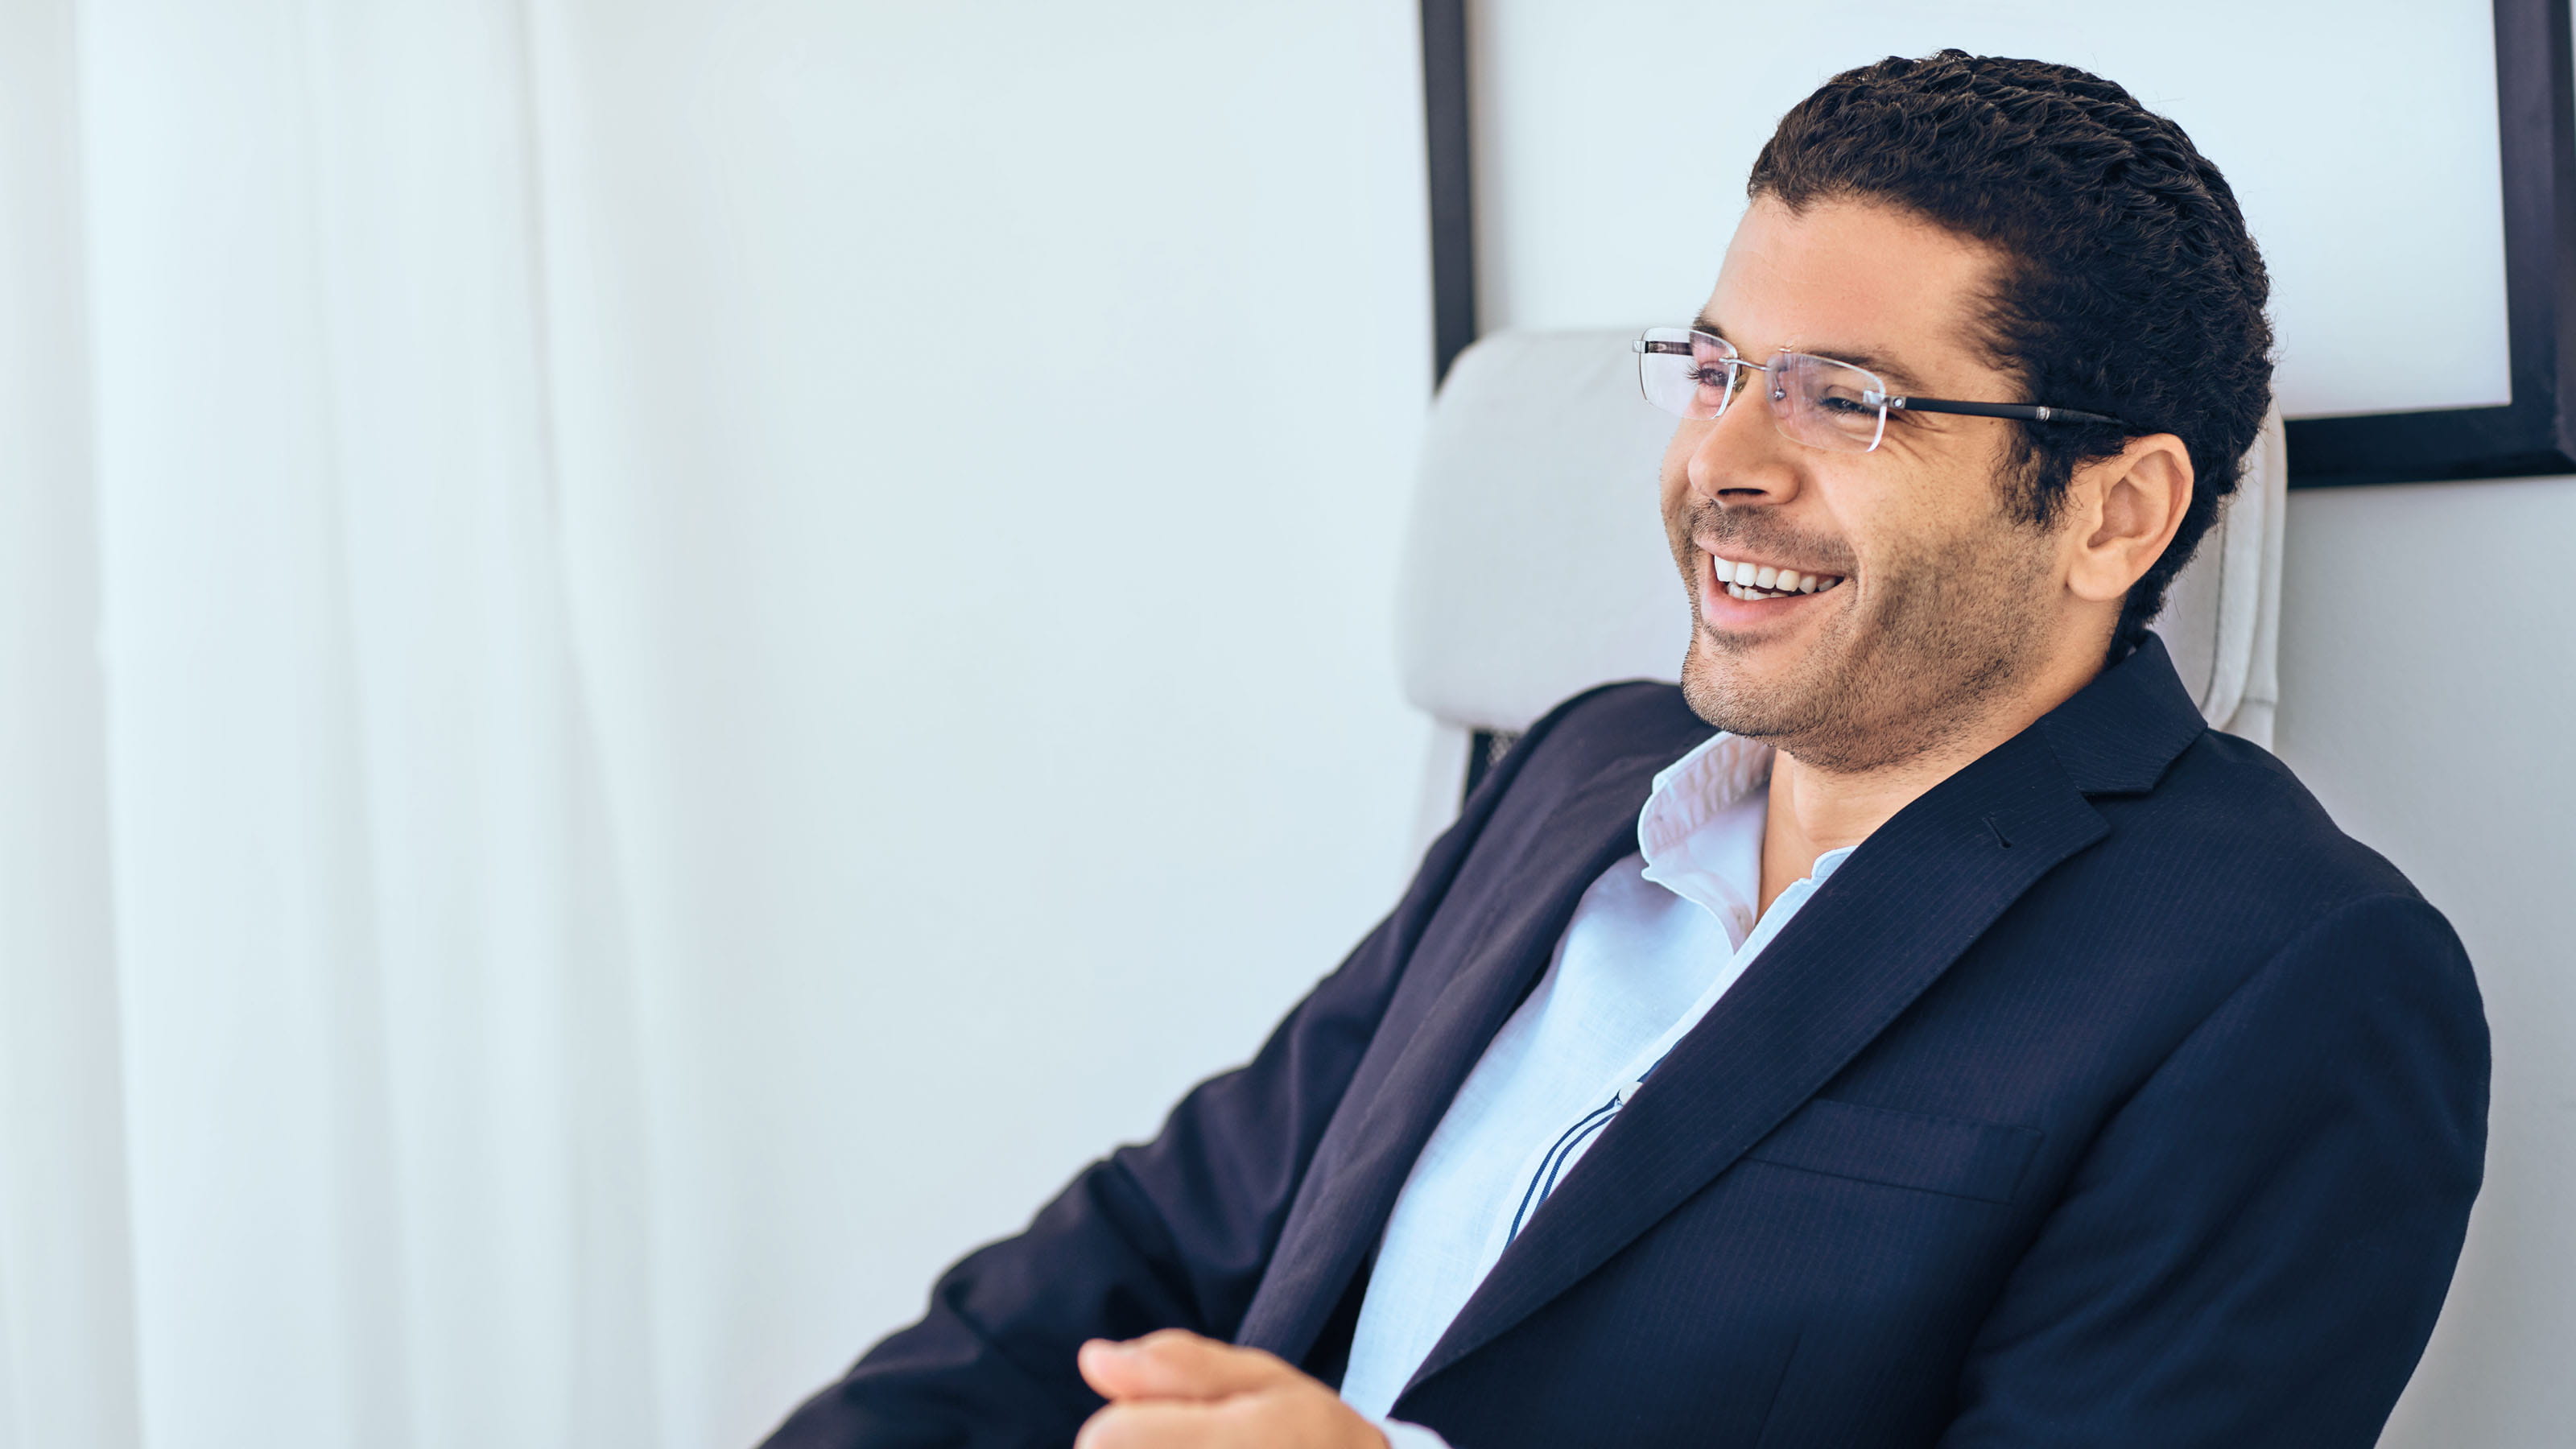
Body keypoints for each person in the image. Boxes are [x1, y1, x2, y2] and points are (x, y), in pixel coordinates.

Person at [760, 51, 2487, 1449]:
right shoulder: (1580, 773)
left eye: (1844, 399)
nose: (1720, 462)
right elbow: (1157, 1245)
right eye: (1715, 367)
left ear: (2113, 513)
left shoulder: (2299, 983)